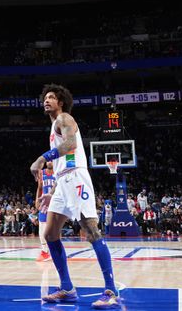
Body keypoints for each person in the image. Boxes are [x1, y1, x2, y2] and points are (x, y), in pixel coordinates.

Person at [30, 85, 119, 309]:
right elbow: (62, 162)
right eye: (45, 97)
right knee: (50, 234)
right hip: (63, 181)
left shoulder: (65, 118)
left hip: (77, 178)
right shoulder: (53, 126)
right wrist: (51, 192)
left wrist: (42, 157)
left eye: (51, 97)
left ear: (61, 102)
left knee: (91, 230)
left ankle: (111, 290)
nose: (46, 100)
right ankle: (67, 288)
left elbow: (71, 145)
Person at [35, 161, 55, 262]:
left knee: (54, 230)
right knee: (42, 229)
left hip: (55, 203)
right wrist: (36, 200)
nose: (49, 162)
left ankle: (54, 251)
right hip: (44, 203)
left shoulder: (58, 172)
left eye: (51, 160)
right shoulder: (41, 173)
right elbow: (39, 188)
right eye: (48, 160)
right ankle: (44, 252)